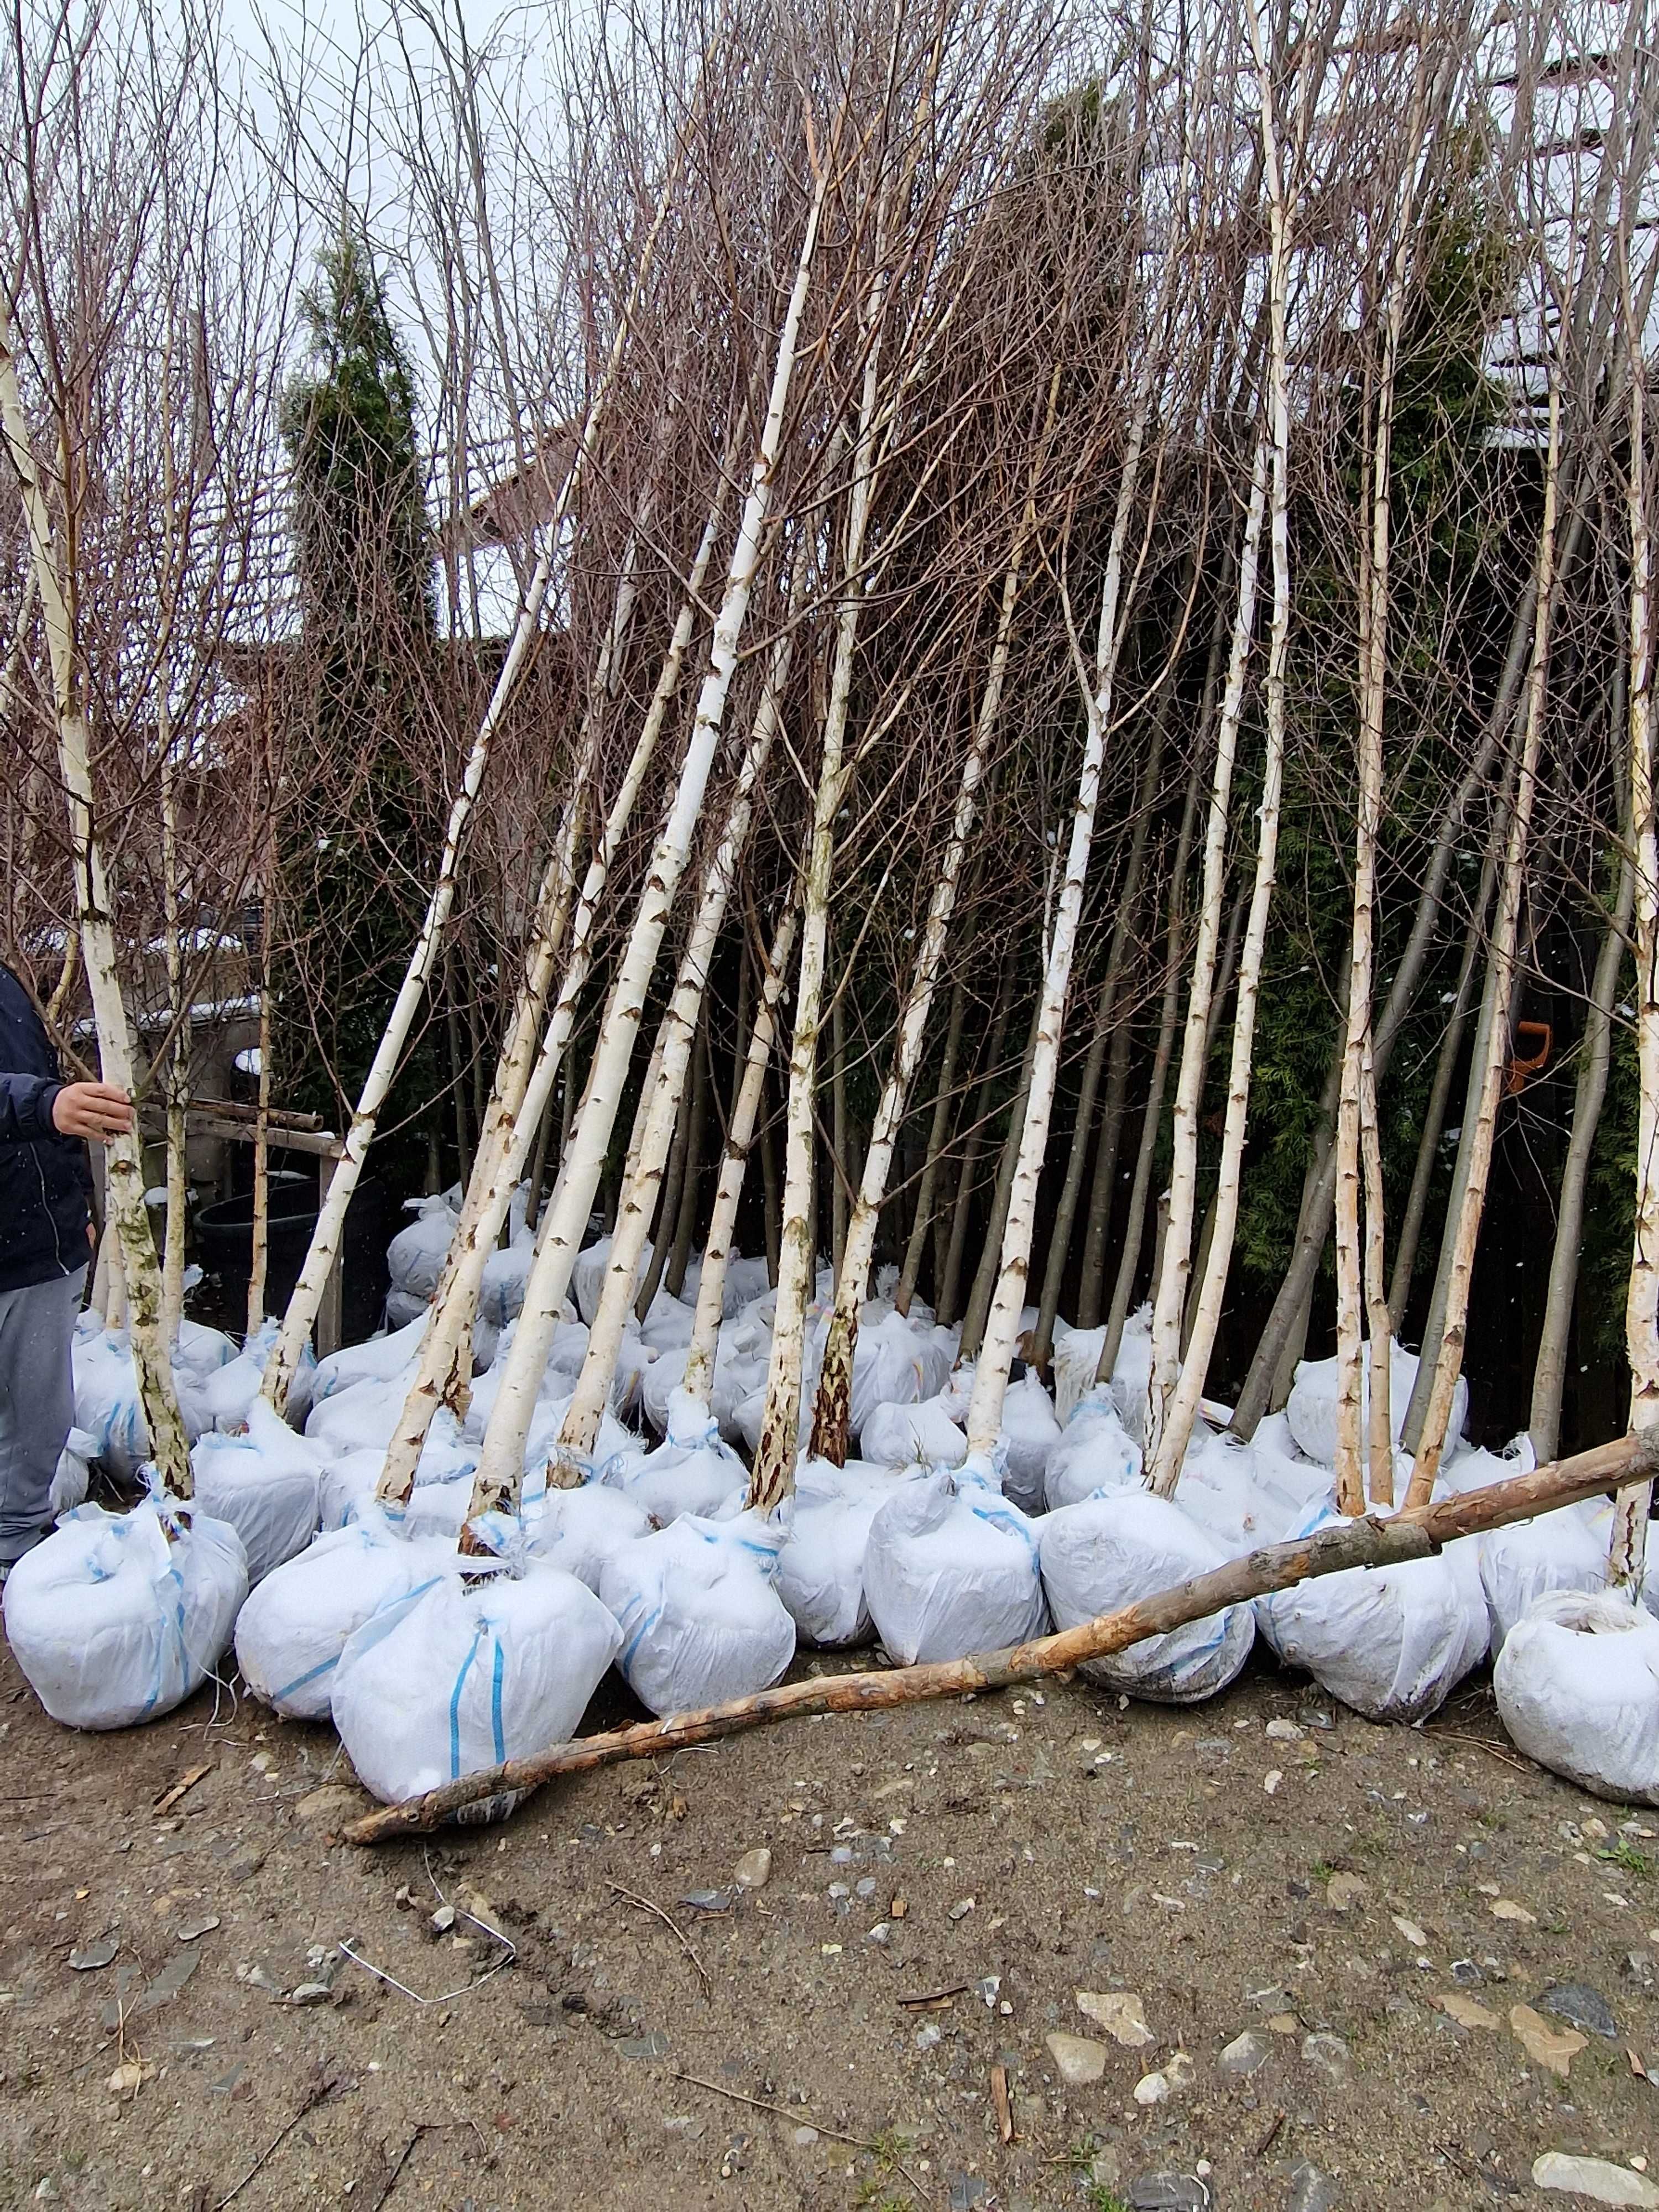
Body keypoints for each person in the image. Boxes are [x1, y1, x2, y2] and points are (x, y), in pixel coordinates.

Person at [0, 959, 133, 1575]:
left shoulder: (8, 981)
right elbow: (42, 1097)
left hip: (40, 1243)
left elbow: (50, 1086)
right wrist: (41, 1105)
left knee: (39, 1415)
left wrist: (79, 1198)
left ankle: (15, 1547)